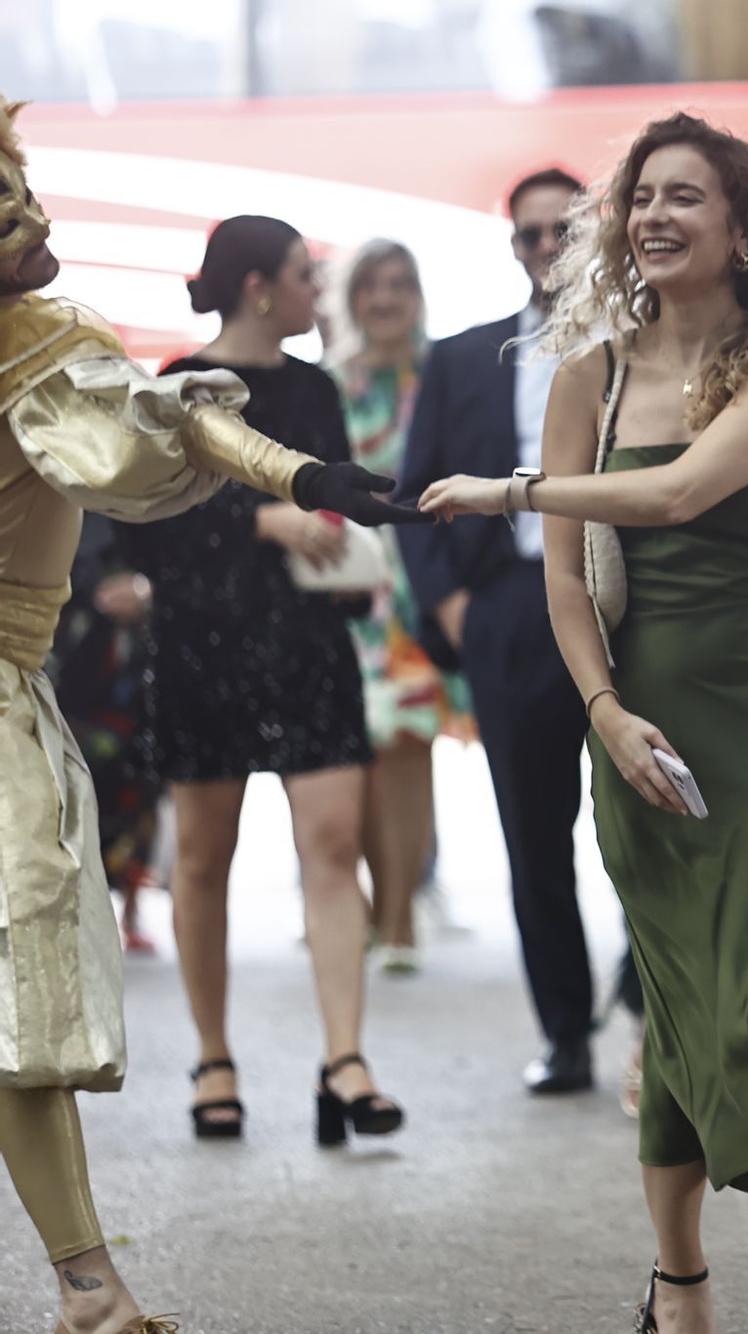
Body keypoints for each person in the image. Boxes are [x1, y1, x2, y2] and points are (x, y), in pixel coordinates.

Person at [418, 110, 748, 1334]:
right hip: (642, 713)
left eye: (685, 195)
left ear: (743, 226)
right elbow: (566, 579)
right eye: (641, 196)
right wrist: (605, 713)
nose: (654, 216)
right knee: (684, 997)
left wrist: (510, 489)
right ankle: (679, 1275)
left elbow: (682, 490)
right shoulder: (590, 364)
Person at [0, 98, 412, 1332]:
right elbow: (152, 450)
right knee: (26, 966)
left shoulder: (40, 345)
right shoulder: (38, 347)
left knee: (23, 980)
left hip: (106, 676)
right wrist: (288, 476)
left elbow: (150, 433)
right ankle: (92, 1290)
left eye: (22, 187)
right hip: (72, 687)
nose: (34, 217)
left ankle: (90, 1287)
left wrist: (300, 473)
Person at [116, 214, 406, 1150]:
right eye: (302, 276)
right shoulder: (177, 386)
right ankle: (213, 1058)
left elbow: (329, 494)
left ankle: (345, 1058)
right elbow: (146, 528)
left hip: (308, 642)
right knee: (203, 857)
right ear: (256, 287)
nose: (317, 293)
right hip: (204, 644)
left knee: (333, 841)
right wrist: (262, 525)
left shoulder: (315, 387)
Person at [397, 167, 604, 1095]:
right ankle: (565, 1032)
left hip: (625, 603)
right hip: (511, 611)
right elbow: (413, 494)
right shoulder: (461, 358)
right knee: (534, 833)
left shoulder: (645, 345)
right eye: (532, 234)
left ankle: (657, 1000)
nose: (549, 247)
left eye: (567, 229)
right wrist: (452, 611)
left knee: (672, 814)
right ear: (512, 245)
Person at [326, 238, 463, 976]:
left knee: (407, 744)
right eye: (370, 284)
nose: (384, 298)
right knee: (358, 750)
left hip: (421, 592)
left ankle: (401, 918)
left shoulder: (445, 371)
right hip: (345, 589)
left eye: (398, 282)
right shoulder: (325, 383)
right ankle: (367, 907)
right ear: (349, 298)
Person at [49, 515, 162, 955]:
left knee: (143, 790)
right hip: (70, 668)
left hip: (139, 679)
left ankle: (132, 907)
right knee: (64, 797)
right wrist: (93, 591)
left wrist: (143, 590)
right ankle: (67, 911)